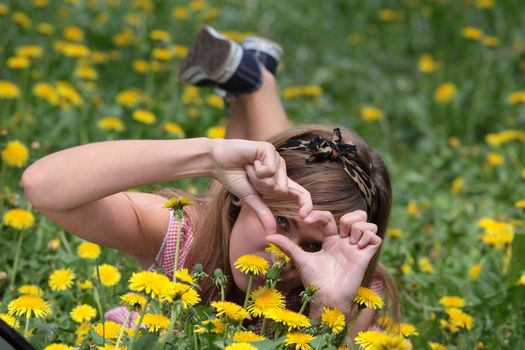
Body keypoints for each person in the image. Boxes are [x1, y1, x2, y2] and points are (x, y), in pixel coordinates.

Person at [21, 27, 399, 339]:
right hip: (227, 215)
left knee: (283, 190)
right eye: (283, 223)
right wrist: (208, 157)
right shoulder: (186, 236)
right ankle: (257, 82)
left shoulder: (356, 294)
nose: (284, 256)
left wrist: (326, 309)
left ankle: (253, 81)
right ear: (240, 196)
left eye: (314, 245)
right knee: (278, 182)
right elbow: (44, 186)